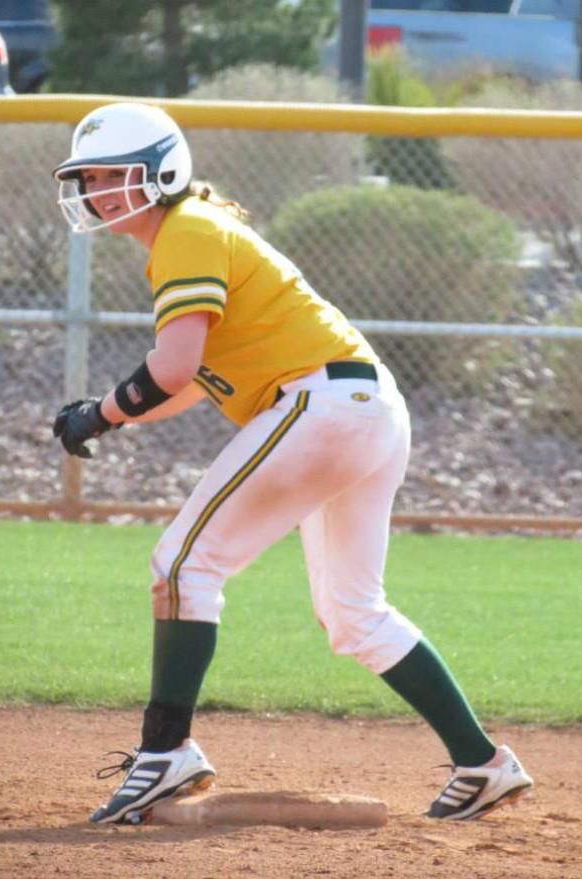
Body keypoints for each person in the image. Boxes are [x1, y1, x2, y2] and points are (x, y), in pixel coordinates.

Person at [52, 102, 533, 825]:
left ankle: (165, 753)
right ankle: (484, 763)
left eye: (114, 176)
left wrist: (101, 413)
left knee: (184, 563)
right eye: (89, 178)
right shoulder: (197, 233)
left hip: (324, 407)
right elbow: (188, 381)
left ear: (165, 171)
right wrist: (114, 413)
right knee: (353, 613)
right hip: (363, 406)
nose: (97, 191)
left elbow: (174, 370)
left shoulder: (186, 230)